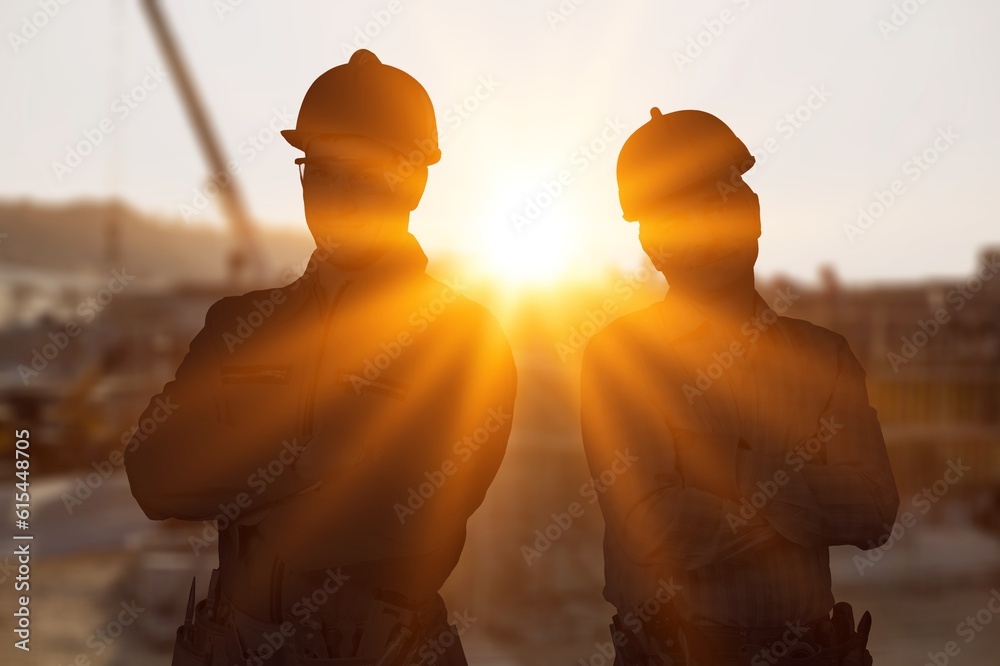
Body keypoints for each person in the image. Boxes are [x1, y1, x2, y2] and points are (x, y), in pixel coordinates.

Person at [124, 49, 517, 665]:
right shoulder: (238, 324)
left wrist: (239, 448)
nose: (337, 195)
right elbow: (152, 473)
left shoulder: (463, 340)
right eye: (321, 170)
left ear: (413, 181)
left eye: (365, 172)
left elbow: (409, 513)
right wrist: (321, 454)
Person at [581, 108, 899, 665]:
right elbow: (650, 529)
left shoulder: (823, 357)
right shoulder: (622, 358)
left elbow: (872, 511)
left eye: (723, 199)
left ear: (753, 215)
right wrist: (801, 505)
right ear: (653, 244)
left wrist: (728, 469)